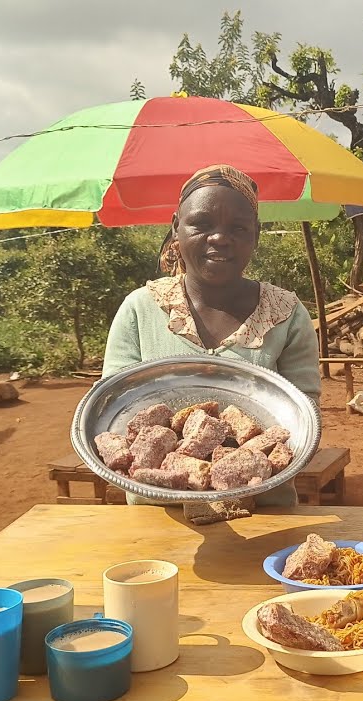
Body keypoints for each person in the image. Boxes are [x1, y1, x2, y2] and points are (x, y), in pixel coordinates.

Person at [102, 164, 320, 507]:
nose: (219, 237)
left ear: (256, 234)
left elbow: (304, 417)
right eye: (201, 224)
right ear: (177, 228)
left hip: (264, 514)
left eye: (238, 227)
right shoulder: (140, 309)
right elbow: (113, 413)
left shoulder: (285, 314)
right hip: (157, 515)